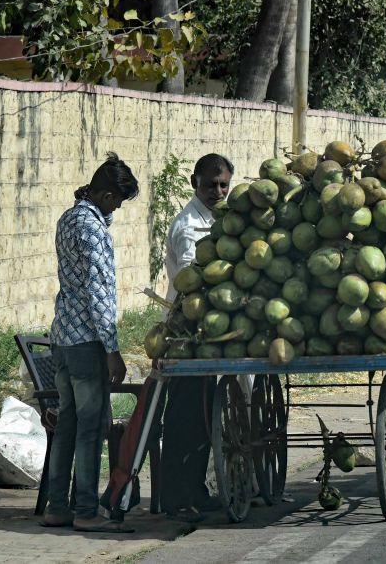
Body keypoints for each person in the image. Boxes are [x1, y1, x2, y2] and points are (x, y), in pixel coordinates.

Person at [41, 153, 139, 533]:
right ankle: (85, 510)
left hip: (63, 338)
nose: (118, 208)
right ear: (109, 195)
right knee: (90, 426)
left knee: (66, 424)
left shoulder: (69, 217)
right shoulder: (93, 229)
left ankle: (57, 507)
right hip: (86, 343)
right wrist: (112, 351)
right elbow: (99, 293)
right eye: (118, 200)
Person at [161, 153, 234, 522]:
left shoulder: (221, 220)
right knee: (187, 416)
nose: (217, 191)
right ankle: (179, 493)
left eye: (223, 185)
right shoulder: (190, 226)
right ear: (194, 183)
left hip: (208, 330)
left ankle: (189, 490)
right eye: (210, 185)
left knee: (201, 413)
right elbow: (193, 279)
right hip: (187, 335)